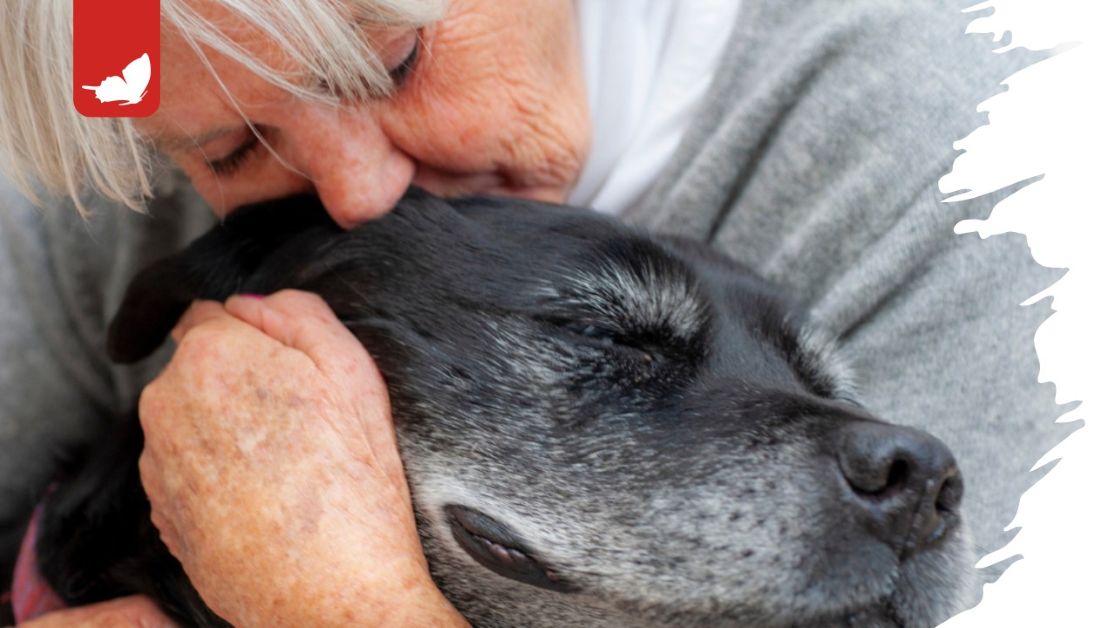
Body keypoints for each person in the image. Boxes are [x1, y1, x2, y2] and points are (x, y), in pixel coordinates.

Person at [0, 0, 1069, 624]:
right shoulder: (113, 153)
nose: (358, 195)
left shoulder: (986, 168)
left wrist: (330, 598)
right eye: (230, 151)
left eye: (397, 61)